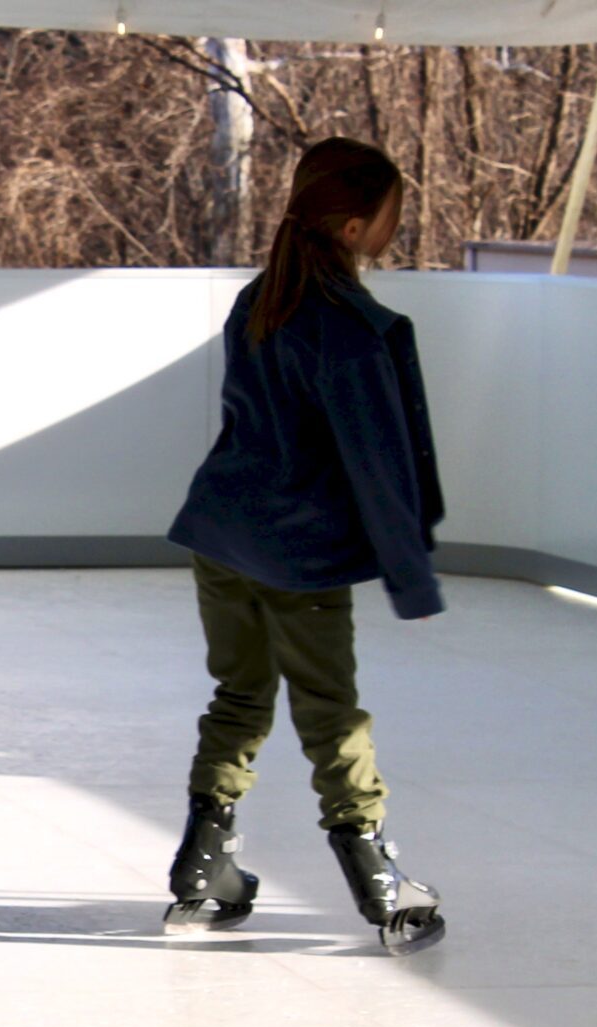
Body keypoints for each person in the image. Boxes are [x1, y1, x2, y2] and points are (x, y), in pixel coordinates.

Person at [163, 136, 448, 956]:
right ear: (356, 226)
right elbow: (377, 462)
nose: (396, 228)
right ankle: (380, 883)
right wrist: (412, 577)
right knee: (331, 714)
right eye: (393, 215)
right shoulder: (352, 332)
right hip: (296, 553)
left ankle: (202, 870)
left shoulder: (260, 298)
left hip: (220, 533)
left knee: (240, 698)